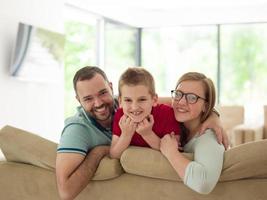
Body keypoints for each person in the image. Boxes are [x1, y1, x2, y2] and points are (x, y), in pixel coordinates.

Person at [56, 66, 228, 200]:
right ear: (122, 101)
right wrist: (108, 145)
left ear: (111, 91)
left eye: (102, 93)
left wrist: (213, 115)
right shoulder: (81, 129)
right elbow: (66, 192)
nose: (98, 103)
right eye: (88, 98)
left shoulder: (164, 113)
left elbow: (176, 110)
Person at [160, 72, 225, 194]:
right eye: (178, 94)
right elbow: (145, 101)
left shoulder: (209, 138)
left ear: (205, 106)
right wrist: (214, 113)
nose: (182, 102)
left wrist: (171, 153)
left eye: (192, 98)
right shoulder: (174, 120)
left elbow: (204, 184)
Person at [110, 67, 181, 158]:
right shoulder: (120, 116)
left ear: (154, 100)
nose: (135, 107)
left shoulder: (167, 113)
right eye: (128, 100)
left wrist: (147, 134)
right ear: (120, 102)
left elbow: (175, 152)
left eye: (142, 99)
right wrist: (126, 135)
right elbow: (114, 155)